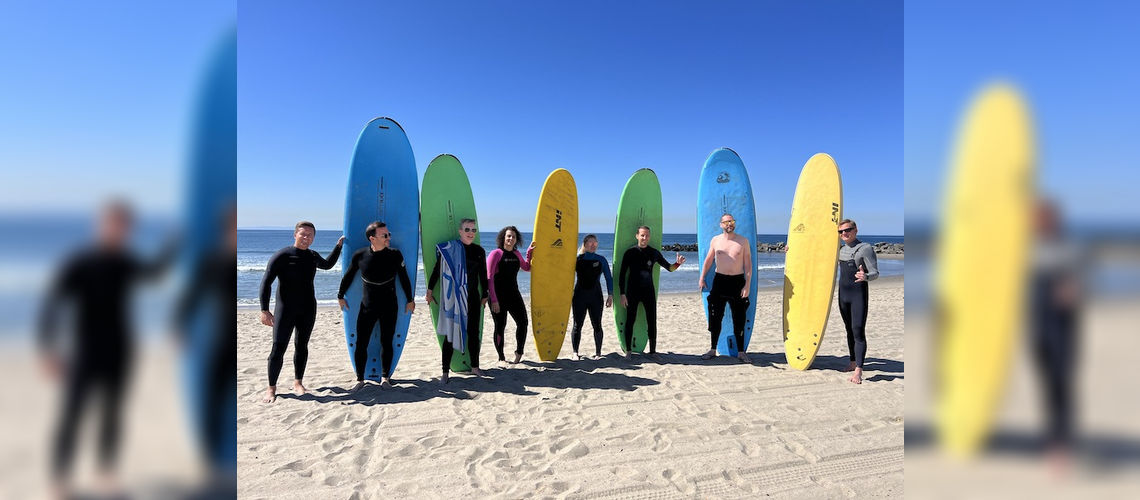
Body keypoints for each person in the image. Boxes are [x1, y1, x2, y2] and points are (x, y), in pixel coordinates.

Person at [38, 200, 175, 498]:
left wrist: (173, 243)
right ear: (101, 225)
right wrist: (48, 349)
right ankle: (60, 479)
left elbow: (154, 273)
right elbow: (52, 304)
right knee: (73, 413)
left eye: (125, 226)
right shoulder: (80, 262)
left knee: (112, 412)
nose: (119, 230)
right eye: (113, 224)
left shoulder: (125, 262)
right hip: (85, 350)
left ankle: (105, 472)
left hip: (120, 349)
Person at [259, 221, 343, 402]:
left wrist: (338, 246)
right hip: (285, 310)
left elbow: (327, 265)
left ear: (313, 238)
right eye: (303, 234)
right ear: (295, 235)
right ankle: (271, 388)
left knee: (302, 346)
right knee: (278, 348)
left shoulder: (312, 256)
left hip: (307, 308)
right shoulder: (281, 256)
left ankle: (298, 382)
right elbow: (266, 282)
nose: (306, 238)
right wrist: (264, 310)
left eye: (310, 235)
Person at [1029, 199, 1082, 474]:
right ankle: (1052, 437)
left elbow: (1079, 285)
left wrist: (1070, 289)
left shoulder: (1067, 247)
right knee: (1045, 382)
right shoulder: (1029, 248)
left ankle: (1062, 444)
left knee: (1059, 382)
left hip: (1060, 325)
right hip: (1036, 325)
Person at [337, 221, 414, 392]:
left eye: (389, 234)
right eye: (384, 235)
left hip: (389, 306)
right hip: (367, 307)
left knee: (387, 341)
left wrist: (410, 299)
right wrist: (340, 296)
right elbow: (348, 276)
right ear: (372, 238)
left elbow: (404, 278)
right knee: (361, 342)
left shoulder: (395, 254)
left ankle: (385, 378)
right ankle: (360, 379)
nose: (388, 238)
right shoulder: (360, 255)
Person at [426, 218, 489, 383]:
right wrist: (430, 289)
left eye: (473, 230)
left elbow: (483, 274)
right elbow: (437, 270)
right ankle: (445, 372)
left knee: (473, 333)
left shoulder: (479, 251)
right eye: (467, 230)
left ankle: (475, 367)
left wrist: (486, 294)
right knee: (451, 334)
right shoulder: (450, 249)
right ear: (460, 231)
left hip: (473, 298)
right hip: (454, 298)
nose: (470, 233)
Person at [617, 225, 685, 360]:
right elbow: (622, 274)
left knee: (652, 320)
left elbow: (669, 268)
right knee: (630, 320)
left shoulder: (654, 253)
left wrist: (677, 264)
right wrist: (622, 294)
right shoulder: (630, 252)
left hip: (648, 291)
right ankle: (628, 351)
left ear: (649, 237)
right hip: (632, 292)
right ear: (637, 236)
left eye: (647, 235)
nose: (644, 238)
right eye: (642, 235)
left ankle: (653, 351)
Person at [698, 213, 752, 362]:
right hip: (719, 282)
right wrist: (702, 277)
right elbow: (708, 260)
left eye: (732, 221)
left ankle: (741, 352)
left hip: (737, 282)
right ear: (721, 224)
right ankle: (713, 349)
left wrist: (747, 284)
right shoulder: (716, 241)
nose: (730, 224)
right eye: (727, 221)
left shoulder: (743, 241)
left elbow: (748, 265)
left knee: (739, 317)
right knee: (715, 316)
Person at [836, 218, 878, 384]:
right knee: (848, 329)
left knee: (858, 330)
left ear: (855, 230)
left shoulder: (865, 248)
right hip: (843, 295)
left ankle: (859, 370)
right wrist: (791, 249)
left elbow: (875, 272)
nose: (844, 233)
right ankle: (853, 361)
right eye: (841, 231)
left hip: (858, 295)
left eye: (847, 230)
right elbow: (816, 255)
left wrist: (866, 276)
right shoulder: (839, 250)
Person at [486, 226, 534, 364]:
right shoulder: (496, 254)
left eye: (513, 236)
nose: (511, 239)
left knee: (523, 322)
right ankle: (501, 357)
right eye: (508, 236)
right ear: (503, 238)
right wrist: (494, 300)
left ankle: (519, 352)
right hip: (497, 296)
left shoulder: (516, 254)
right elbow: (489, 278)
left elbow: (527, 267)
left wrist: (529, 252)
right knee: (500, 326)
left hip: (514, 294)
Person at [571, 234, 614, 360]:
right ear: (585, 244)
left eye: (595, 243)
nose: (593, 245)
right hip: (579, 296)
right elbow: (564, 275)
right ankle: (575, 352)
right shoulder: (577, 259)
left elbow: (608, 277)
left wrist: (610, 295)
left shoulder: (601, 260)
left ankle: (598, 353)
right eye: (590, 242)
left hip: (596, 297)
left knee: (597, 325)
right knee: (577, 325)